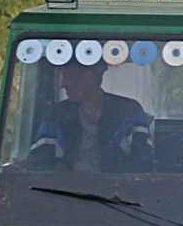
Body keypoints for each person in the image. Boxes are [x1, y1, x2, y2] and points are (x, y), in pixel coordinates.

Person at [26, 59, 154, 172]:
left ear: (89, 78)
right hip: (64, 196)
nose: (62, 84)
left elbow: (143, 167)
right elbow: (37, 166)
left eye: (68, 77)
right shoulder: (56, 115)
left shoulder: (129, 112)